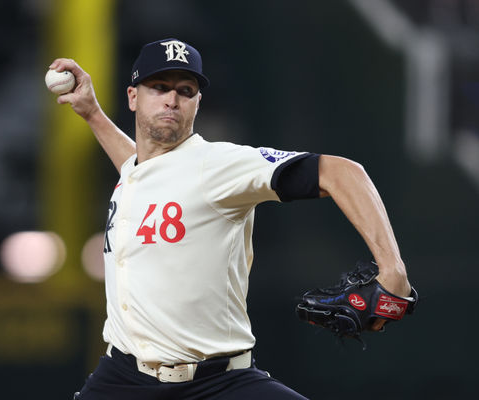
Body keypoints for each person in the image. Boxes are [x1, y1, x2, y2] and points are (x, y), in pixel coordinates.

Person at [49, 38, 412, 400]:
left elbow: (344, 173)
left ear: (197, 103)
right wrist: (93, 114)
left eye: (185, 90)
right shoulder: (137, 172)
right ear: (132, 97)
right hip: (123, 379)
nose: (171, 99)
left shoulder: (218, 164)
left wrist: (392, 269)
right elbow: (147, 172)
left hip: (218, 383)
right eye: (159, 87)